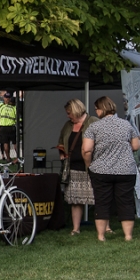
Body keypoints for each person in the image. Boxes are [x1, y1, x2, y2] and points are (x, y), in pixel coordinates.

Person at [82, 96, 140, 242]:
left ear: (101, 109)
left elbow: (87, 149)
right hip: (126, 170)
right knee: (126, 202)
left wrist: (89, 165)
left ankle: (101, 236)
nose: (96, 112)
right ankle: (128, 236)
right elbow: (135, 146)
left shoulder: (94, 127)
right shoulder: (126, 124)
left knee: (102, 202)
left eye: (96, 109)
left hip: (101, 170)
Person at [56, 99, 98, 236]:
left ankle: (106, 227)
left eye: (69, 113)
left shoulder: (93, 122)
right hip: (73, 167)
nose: (68, 116)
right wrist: (62, 153)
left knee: (99, 198)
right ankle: (75, 228)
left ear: (76, 110)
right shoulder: (68, 125)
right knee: (75, 200)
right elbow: (61, 141)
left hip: (92, 167)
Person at [0, 92, 18, 162]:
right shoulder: (14, 108)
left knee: (5, 143)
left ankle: (8, 158)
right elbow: (18, 119)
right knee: (15, 143)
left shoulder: (2, 107)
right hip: (11, 127)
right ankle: (18, 157)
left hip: (3, 127)